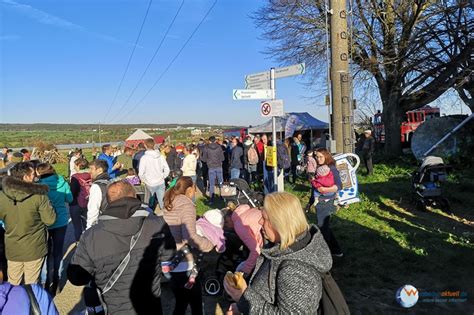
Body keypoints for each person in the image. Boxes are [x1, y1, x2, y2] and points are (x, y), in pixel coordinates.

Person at [67, 181, 176, 314]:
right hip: (150, 304)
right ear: (135, 197)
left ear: (108, 202)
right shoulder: (158, 224)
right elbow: (169, 258)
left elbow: (77, 277)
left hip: (113, 307)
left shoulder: (91, 236)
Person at [224, 192, 332, 314]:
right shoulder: (282, 248)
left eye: (264, 218)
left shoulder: (297, 270)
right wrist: (243, 308)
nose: (259, 222)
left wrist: (244, 298)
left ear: (279, 223)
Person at [163, 177, 214, 315]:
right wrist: (209, 244)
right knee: (195, 303)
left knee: (182, 301)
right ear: (190, 189)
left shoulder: (170, 201)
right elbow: (189, 236)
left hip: (169, 258)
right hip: (183, 263)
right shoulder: (187, 205)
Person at [0, 162, 56, 285]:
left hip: (12, 245)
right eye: (32, 174)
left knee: (13, 282)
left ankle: (13, 303)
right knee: (32, 284)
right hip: (34, 246)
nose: (35, 176)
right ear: (25, 177)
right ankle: (30, 304)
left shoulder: (2, 194)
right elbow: (50, 220)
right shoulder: (39, 195)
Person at [36, 163, 73, 296]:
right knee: (58, 252)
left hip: (44, 223)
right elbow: (70, 199)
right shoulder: (63, 182)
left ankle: (45, 281)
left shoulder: (38, 186)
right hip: (61, 222)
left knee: (45, 253)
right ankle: (57, 280)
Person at [314, 148, 344, 257]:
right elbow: (315, 186)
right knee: (324, 226)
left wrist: (325, 190)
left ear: (326, 156)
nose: (318, 159)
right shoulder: (320, 167)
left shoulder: (331, 168)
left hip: (327, 200)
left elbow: (339, 186)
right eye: (317, 157)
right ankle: (336, 250)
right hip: (320, 199)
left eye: (321, 156)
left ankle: (325, 253)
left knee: (323, 227)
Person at [230, 204, 263, 277]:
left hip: (267, 242)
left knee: (239, 269)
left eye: (225, 224)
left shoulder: (239, 224)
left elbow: (256, 250)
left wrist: (245, 270)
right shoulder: (250, 211)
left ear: (229, 219)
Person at [139, 138, 170, 210]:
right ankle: (165, 218)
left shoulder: (144, 158)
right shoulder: (160, 156)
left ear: (145, 146)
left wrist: (145, 180)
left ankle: (150, 218)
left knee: (149, 203)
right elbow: (167, 169)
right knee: (162, 202)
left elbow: (141, 173)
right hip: (160, 182)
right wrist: (163, 177)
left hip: (150, 183)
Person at [70, 158, 91, 241]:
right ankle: (88, 241)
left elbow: (73, 192)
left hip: (76, 204)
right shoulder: (90, 175)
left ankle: (79, 242)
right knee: (87, 224)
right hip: (87, 201)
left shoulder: (75, 177)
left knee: (77, 226)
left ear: (79, 165)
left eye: (75, 165)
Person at [86, 159, 110, 229]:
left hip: (103, 222)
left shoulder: (96, 186)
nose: (89, 171)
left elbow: (93, 210)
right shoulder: (111, 181)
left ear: (99, 170)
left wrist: (89, 229)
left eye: (91, 169)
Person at [202, 136, 224, 205]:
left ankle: (211, 199)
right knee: (220, 182)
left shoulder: (206, 148)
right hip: (219, 166)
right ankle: (222, 196)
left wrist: (201, 157)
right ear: (215, 140)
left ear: (209, 141)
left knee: (211, 184)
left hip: (211, 167)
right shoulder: (219, 147)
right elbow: (222, 158)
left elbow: (204, 159)